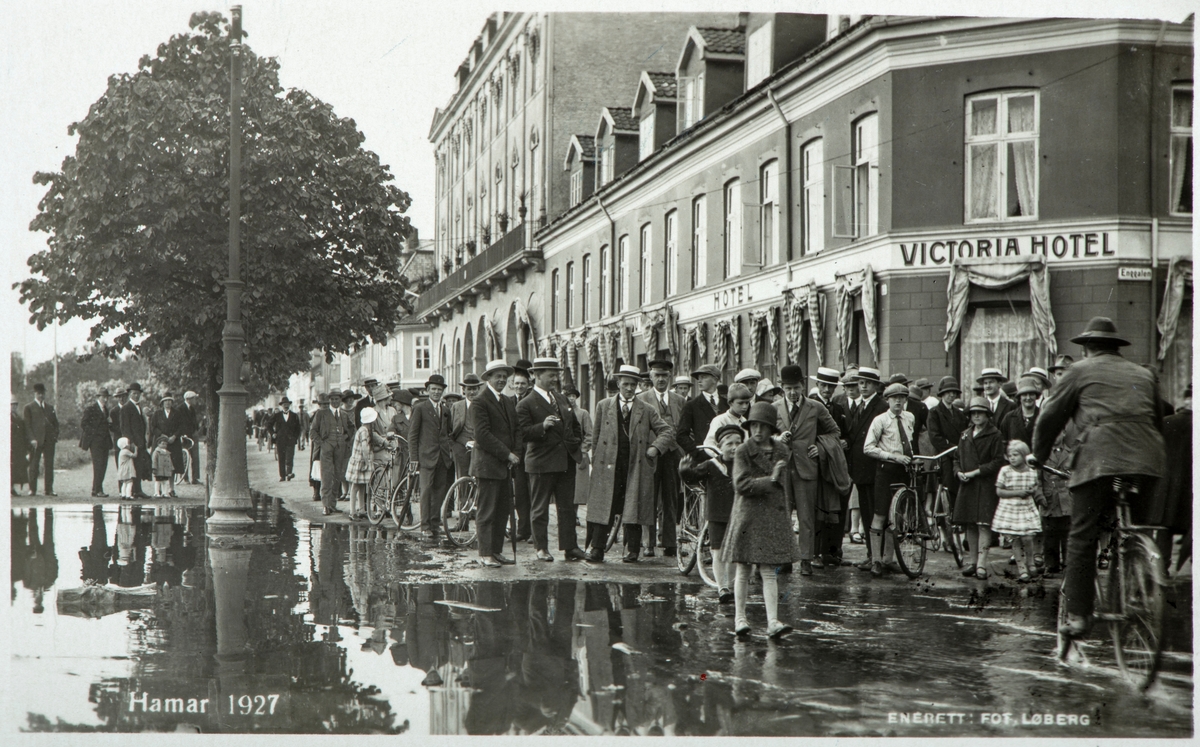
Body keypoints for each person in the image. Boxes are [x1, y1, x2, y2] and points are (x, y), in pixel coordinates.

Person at [1032, 316, 1166, 638]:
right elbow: (1158, 421)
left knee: (1083, 535)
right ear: (1116, 348)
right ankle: (1135, 589)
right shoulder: (1144, 374)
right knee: (1134, 528)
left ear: (1087, 349)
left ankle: (1079, 615)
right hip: (1147, 460)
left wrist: (1038, 456)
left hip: (1100, 459)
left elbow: (1050, 417)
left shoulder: (1079, 371)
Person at [583, 364, 673, 563]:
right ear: (618, 384)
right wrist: (595, 459)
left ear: (638, 385)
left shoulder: (647, 409)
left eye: (633, 384)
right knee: (604, 506)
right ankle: (597, 548)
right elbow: (596, 436)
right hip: (608, 466)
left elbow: (667, 431)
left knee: (633, 507)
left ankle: (631, 550)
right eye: (626, 384)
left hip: (635, 466)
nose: (630, 388)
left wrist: (655, 448)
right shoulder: (604, 405)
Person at [727, 402, 801, 638]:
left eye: (763, 426)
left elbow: (783, 486)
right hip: (748, 516)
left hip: (771, 516)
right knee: (744, 569)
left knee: (769, 571)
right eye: (754, 425)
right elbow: (741, 484)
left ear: (772, 429)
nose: (758, 431)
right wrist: (770, 479)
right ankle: (740, 618)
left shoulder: (781, 450)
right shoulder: (742, 451)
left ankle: (772, 622)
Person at [517, 357, 587, 562]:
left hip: (566, 463)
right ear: (537, 376)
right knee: (539, 508)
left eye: (556, 374)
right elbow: (521, 434)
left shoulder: (561, 399)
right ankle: (541, 548)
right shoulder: (525, 404)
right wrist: (542, 427)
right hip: (541, 463)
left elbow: (575, 425)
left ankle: (570, 547)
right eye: (551, 375)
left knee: (566, 508)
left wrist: (575, 444)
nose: (555, 379)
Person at [775, 364, 841, 575]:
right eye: (788, 388)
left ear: (803, 386)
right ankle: (784, 558)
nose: (793, 393)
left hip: (807, 469)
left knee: (806, 517)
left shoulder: (815, 407)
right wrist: (777, 439)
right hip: (782, 469)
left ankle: (805, 559)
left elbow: (834, 432)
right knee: (782, 514)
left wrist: (820, 448)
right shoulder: (773, 407)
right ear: (781, 387)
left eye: (796, 387)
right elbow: (762, 436)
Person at [679, 423, 742, 604]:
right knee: (718, 551)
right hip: (716, 515)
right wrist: (684, 471)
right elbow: (692, 478)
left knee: (734, 553)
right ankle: (722, 587)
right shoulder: (711, 465)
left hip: (739, 515)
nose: (734, 447)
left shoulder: (745, 465)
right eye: (729, 443)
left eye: (738, 443)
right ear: (720, 447)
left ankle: (730, 584)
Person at [861, 382, 917, 577]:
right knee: (880, 514)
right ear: (888, 400)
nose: (899, 401)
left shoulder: (910, 417)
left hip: (904, 472)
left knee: (898, 516)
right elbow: (867, 448)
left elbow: (909, 442)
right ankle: (876, 561)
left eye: (902, 398)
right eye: (895, 398)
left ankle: (888, 559)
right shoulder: (880, 420)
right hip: (886, 471)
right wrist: (893, 456)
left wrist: (911, 457)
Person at [471, 359, 521, 567]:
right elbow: (482, 435)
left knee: (502, 511)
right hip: (488, 465)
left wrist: (516, 453)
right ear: (488, 378)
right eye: (497, 376)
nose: (501, 379)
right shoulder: (480, 402)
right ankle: (485, 554)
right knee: (487, 511)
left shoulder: (508, 401)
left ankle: (496, 551)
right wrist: (507, 454)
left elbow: (516, 430)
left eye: (504, 376)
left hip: (504, 466)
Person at [953, 396, 1007, 579]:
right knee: (970, 524)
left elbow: (998, 461)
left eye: (980, 413)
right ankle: (972, 562)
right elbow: (956, 457)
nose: (976, 416)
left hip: (985, 485)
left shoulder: (995, 435)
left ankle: (982, 564)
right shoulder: (965, 434)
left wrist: (976, 472)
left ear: (987, 415)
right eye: (973, 413)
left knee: (984, 524)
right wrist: (958, 471)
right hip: (967, 485)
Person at [637, 358, 684, 558]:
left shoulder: (679, 400)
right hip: (651, 453)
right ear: (650, 376)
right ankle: (648, 543)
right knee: (649, 497)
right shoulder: (642, 399)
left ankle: (669, 542)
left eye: (665, 375)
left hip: (672, 455)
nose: (661, 379)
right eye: (657, 375)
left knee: (671, 497)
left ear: (670, 377)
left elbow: (682, 428)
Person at [845, 367, 887, 567]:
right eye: (860, 383)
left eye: (867, 383)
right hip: (860, 469)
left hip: (873, 468)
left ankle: (876, 556)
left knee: (873, 512)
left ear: (876, 386)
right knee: (867, 509)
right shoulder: (860, 406)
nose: (863, 386)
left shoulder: (881, 406)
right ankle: (872, 554)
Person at [1148, 384, 1192, 573]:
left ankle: (1161, 568)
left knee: (1164, 529)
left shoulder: (1166, 422)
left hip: (1168, 485)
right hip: (1190, 486)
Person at [409, 374, 456, 538]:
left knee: (439, 491)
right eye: (433, 389)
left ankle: (435, 523)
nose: (436, 392)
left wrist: (449, 451)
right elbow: (413, 435)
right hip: (426, 457)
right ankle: (425, 525)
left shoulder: (446, 410)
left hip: (442, 457)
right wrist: (414, 458)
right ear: (427, 390)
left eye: (439, 389)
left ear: (443, 391)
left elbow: (448, 433)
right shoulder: (420, 408)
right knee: (426, 491)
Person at [927, 376, 969, 549]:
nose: (951, 396)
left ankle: (961, 534)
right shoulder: (934, 413)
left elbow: (965, 434)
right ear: (942, 394)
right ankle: (946, 536)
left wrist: (962, 449)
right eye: (948, 393)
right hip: (944, 456)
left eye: (954, 393)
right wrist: (954, 448)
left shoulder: (960, 414)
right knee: (945, 494)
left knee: (961, 494)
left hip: (959, 457)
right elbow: (935, 437)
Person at [993, 440, 1042, 582]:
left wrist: (1030, 491)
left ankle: (1031, 562)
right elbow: (999, 491)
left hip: (1025, 507)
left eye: (1016, 455)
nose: (1012, 458)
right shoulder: (1005, 471)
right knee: (1015, 539)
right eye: (1010, 455)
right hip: (1010, 508)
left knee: (1027, 537)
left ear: (1024, 455)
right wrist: (1018, 493)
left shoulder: (1031, 471)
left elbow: (1035, 486)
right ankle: (1022, 568)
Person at [677, 363, 727, 460]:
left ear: (715, 379)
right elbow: (681, 435)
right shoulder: (691, 405)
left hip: (726, 456)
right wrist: (697, 451)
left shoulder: (727, 404)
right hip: (704, 459)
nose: (699, 381)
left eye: (704, 377)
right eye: (698, 378)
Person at [508, 366, 534, 541]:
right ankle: (523, 529)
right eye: (516, 383)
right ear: (512, 384)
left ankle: (533, 530)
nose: (519, 386)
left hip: (531, 453)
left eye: (522, 383)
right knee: (520, 494)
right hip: (515, 454)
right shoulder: (508, 401)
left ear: (528, 384)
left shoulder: (532, 401)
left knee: (534, 493)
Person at [309, 391, 346, 515]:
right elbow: (312, 431)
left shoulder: (343, 414)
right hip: (326, 449)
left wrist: (344, 440)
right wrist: (322, 444)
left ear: (341, 400)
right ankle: (325, 505)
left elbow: (351, 429)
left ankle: (333, 504)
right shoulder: (321, 414)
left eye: (337, 399)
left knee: (337, 476)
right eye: (333, 399)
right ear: (329, 400)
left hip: (339, 449)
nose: (335, 401)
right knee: (326, 476)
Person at [24, 382, 60, 496]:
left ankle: (48, 489)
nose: (41, 396)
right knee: (34, 465)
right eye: (39, 393)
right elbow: (27, 426)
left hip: (49, 441)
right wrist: (32, 439)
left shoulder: (50, 407)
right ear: (35, 393)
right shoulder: (29, 407)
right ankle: (32, 489)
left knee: (49, 464)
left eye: (43, 393)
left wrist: (54, 436)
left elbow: (56, 424)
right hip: (36, 441)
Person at [345, 407, 378, 521]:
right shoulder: (364, 430)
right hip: (361, 460)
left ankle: (361, 509)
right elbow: (364, 447)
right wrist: (367, 461)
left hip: (359, 460)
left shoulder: (363, 429)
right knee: (356, 487)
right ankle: (352, 512)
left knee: (362, 486)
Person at [80, 388, 113, 497]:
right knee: (98, 465)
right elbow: (83, 423)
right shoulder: (91, 409)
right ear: (98, 397)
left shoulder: (106, 410)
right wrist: (93, 435)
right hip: (95, 442)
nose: (105, 399)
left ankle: (97, 489)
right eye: (103, 397)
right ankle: (97, 490)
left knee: (103, 465)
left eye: (106, 397)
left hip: (104, 441)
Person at [121, 382, 151, 498]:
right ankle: (132, 491)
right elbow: (125, 428)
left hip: (140, 442)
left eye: (138, 394)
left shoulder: (138, 407)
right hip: (133, 443)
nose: (136, 396)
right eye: (134, 394)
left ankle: (138, 490)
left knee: (139, 466)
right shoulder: (126, 408)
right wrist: (131, 443)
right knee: (132, 467)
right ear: (129, 394)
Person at [702, 383, 752, 451]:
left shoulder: (744, 421)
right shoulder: (720, 420)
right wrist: (721, 457)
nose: (745, 407)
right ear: (730, 403)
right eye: (740, 403)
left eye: (747, 403)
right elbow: (709, 445)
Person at [450, 374, 483, 479]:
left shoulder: (484, 405)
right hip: (461, 447)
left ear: (479, 389)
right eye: (469, 389)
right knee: (463, 477)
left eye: (474, 389)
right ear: (464, 390)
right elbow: (450, 429)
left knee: (480, 477)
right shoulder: (456, 406)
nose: (472, 392)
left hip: (480, 447)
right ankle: (463, 495)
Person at [149, 392, 186, 483]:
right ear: (162, 402)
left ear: (172, 402)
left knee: (172, 465)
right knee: (159, 464)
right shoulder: (157, 413)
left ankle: (171, 488)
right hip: (160, 443)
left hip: (173, 442)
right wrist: (161, 435)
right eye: (165, 401)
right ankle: (160, 489)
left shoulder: (177, 413)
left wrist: (174, 436)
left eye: (170, 400)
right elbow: (153, 427)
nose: (168, 402)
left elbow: (181, 426)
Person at [565, 386, 592, 507]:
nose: (571, 398)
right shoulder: (561, 412)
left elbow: (589, 434)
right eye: (568, 396)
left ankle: (574, 515)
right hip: (563, 455)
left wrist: (583, 451)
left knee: (577, 488)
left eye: (573, 396)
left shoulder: (583, 413)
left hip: (578, 454)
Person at [270, 397, 302, 482]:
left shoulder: (294, 415)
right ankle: (282, 476)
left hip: (291, 440)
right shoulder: (277, 415)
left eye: (287, 404)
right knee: (281, 458)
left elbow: (298, 428)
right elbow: (268, 425)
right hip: (280, 440)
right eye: (284, 404)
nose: (286, 405)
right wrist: (273, 433)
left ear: (289, 405)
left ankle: (289, 474)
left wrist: (295, 437)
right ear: (281, 405)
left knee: (290, 457)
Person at [180, 391, 203, 484]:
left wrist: (196, 431)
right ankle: (185, 478)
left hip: (193, 435)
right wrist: (182, 434)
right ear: (188, 399)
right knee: (185, 457)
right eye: (194, 398)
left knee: (195, 457)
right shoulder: (180, 409)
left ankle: (195, 478)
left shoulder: (192, 409)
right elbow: (180, 423)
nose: (195, 400)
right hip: (185, 436)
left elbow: (194, 422)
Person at [12, 397, 31, 496]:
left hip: (19, 447)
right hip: (11, 447)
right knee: (12, 467)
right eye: (12, 405)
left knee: (19, 467)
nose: (14, 407)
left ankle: (16, 487)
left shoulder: (18, 417)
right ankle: (10, 487)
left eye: (15, 405)